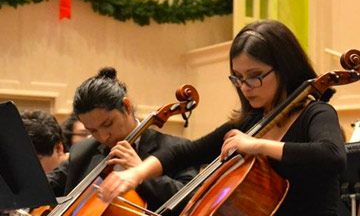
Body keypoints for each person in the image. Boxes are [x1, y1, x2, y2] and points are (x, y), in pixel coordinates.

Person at [96, 20, 347, 215]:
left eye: (255, 75)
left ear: (284, 69)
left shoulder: (315, 113)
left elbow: (332, 155)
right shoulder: (250, 123)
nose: (245, 86)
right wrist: (136, 174)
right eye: (238, 77)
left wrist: (257, 145)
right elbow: (184, 152)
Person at [47, 67, 199, 212]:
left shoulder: (176, 148)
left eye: (108, 124)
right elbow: (43, 187)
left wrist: (141, 172)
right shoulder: (83, 151)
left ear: (126, 107)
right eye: (92, 131)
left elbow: (192, 204)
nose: (103, 137)